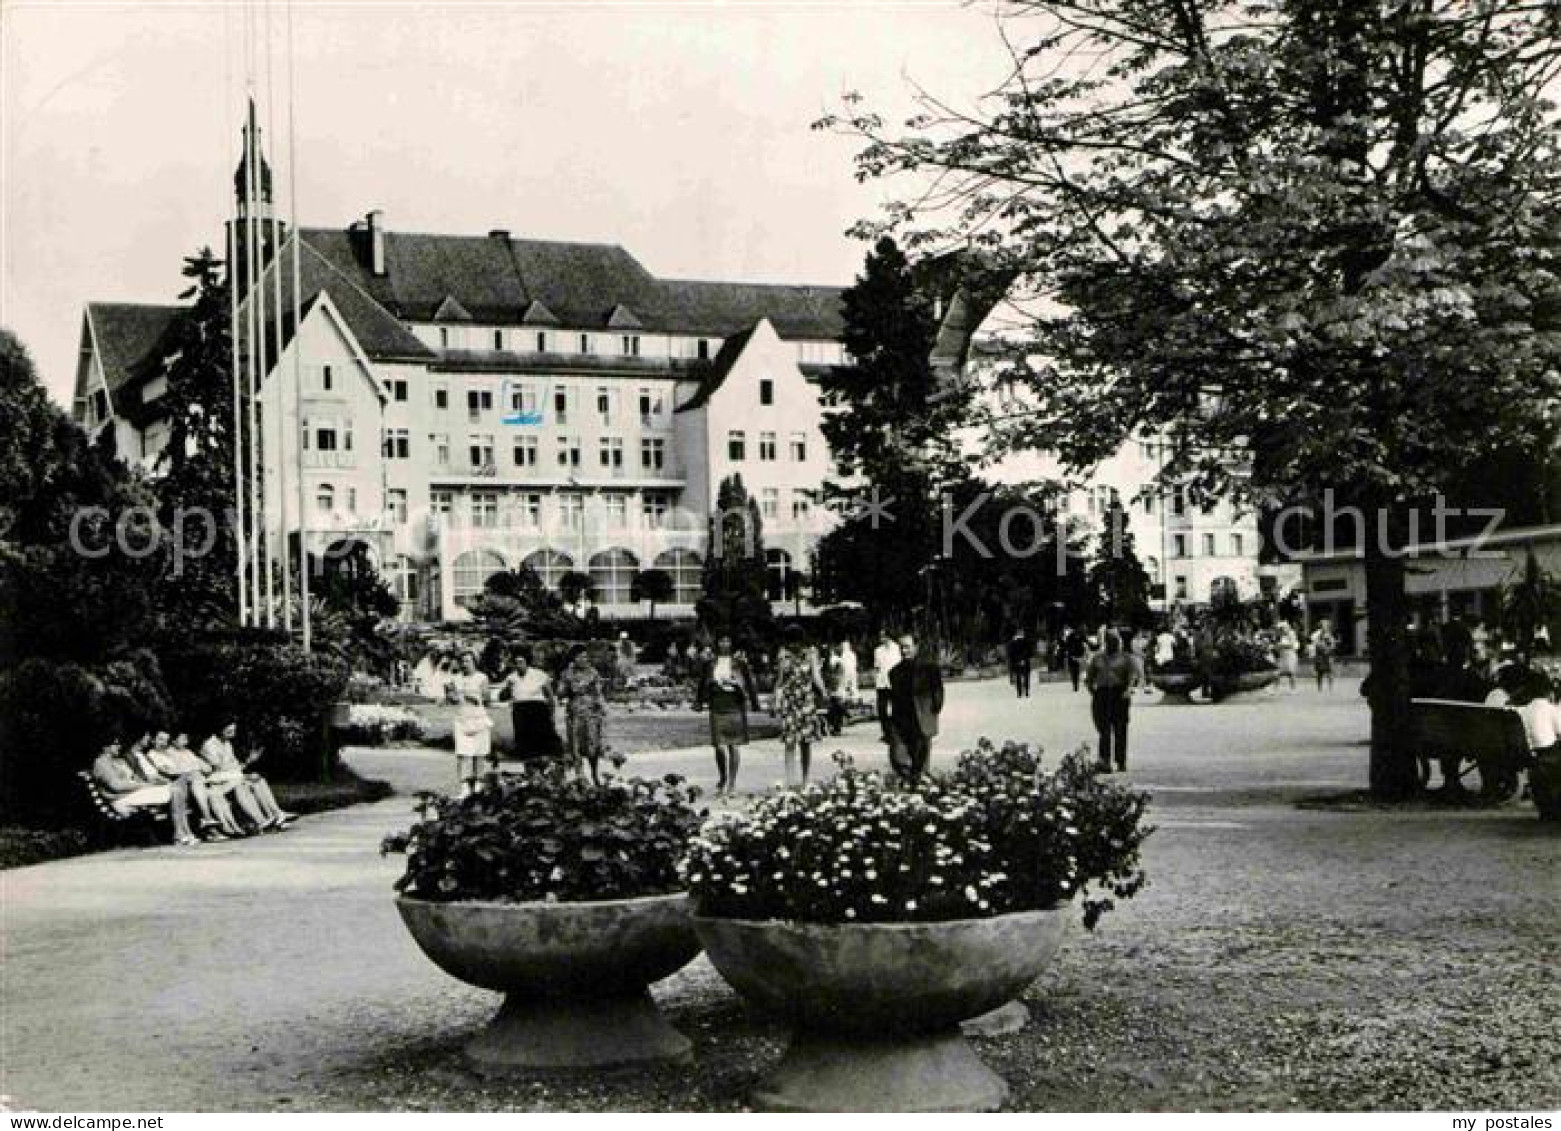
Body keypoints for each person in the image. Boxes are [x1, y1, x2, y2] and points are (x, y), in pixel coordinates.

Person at [93, 737, 202, 846]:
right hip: (121, 798)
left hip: (134, 793)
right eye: (115, 744)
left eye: (118, 744)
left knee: (178, 787)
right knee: (176, 790)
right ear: (105, 747)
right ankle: (180, 834)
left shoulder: (118, 760)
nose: (119, 746)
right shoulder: (101, 763)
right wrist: (143, 785)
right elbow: (116, 786)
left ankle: (184, 833)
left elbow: (134, 778)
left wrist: (150, 783)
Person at [146, 731, 245, 839]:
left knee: (213, 793)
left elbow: (204, 767)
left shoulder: (169, 753)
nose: (164, 743)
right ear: (153, 740)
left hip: (190, 782)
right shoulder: (153, 754)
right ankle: (210, 823)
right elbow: (168, 771)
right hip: (176, 784)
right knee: (199, 781)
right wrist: (191, 768)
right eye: (160, 739)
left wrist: (193, 768)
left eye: (166, 740)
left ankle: (224, 826)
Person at [693, 635, 758, 797]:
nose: (724, 644)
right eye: (721, 641)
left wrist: (754, 702)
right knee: (719, 746)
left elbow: (748, 682)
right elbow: (703, 682)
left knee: (734, 745)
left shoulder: (739, 663)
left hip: (735, 704)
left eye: (728, 641)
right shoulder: (710, 663)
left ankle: (732, 783)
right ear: (717, 643)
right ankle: (722, 777)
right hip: (717, 704)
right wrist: (699, 701)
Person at [200, 723, 294, 829]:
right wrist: (244, 776)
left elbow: (234, 767)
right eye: (229, 731)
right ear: (220, 729)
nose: (233, 734)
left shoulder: (227, 744)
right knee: (241, 785)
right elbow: (218, 771)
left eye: (234, 731)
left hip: (230, 779)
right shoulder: (209, 745)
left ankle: (276, 815)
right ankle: (262, 820)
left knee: (259, 780)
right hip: (217, 784)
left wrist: (248, 762)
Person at [887, 633, 944, 783]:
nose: (904, 651)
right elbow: (894, 698)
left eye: (907, 647)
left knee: (921, 764)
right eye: (901, 647)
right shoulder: (894, 672)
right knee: (898, 757)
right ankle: (910, 781)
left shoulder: (930, 669)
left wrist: (932, 712)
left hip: (923, 720)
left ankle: (919, 790)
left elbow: (938, 693)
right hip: (903, 721)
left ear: (916, 647)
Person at [775, 627, 825, 787]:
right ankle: (790, 780)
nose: (794, 645)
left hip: (805, 702)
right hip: (790, 702)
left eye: (796, 641)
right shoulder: (784, 655)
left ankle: (805, 779)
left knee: (805, 742)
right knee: (790, 743)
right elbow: (780, 680)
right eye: (791, 642)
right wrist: (776, 700)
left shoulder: (811, 653)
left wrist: (824, 692)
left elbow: (816, 676)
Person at [1085, 630, 1139, 773]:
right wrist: (1093, 691)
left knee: (1120, 729)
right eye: (1109, 641)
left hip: (1119, 694)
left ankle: (1121, 761)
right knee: (1104, 730)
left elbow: (1133, 676)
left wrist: (1128, 690)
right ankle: (1104, 761)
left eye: (1115, 641)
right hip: (1102, 694)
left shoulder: (1125, 658)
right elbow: (1090, 677)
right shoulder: (1097, 658)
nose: (1112, 644)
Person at [557, 646, 608, 786]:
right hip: (575, 714)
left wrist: (602, 708)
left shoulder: (593, 672)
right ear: (574, 658)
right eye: (580, 657)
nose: (583, 660)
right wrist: (566, 687)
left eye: (585, 657)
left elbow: (599, 693)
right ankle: (580, 775)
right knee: (576, 746)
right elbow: (560, 693)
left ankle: (594, 774)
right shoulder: (567, 673)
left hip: (592, 714)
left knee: (592, 747)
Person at [499, 649, 559, 762]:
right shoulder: (511, 677)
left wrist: (552, 713)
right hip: (520, 710)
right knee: (523, 741)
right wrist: (508, 688)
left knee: (541, 740)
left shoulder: (539, 674)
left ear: (527, 662)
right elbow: (502, 697)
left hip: (537, 708)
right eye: (516, 662)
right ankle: (526, 762)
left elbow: (550, 696)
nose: (518, 665)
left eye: (521, 662)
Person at [447, 653, 494, 791]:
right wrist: (451, 696)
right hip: (462, 719)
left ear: (474, 662)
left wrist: (473, 698)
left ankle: (479, 786)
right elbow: (451, 697)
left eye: (467, 661)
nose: (464, 664)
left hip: (479, 718)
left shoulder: (482, 677)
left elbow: (487, 699)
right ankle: (465, 788)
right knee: (463, 753)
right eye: (462, 661)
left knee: (479, 753)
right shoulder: (455, 679)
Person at [872, 631, 903, 742]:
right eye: (880, 636)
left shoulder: (897, 648)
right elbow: (876, 667)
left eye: (884, 636)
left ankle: (897, 732)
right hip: (881, 683)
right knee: (882, 709)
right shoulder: (878, 650)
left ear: (889, 636)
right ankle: (886, 733)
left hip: (895, 683)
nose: (881, 638)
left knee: (896, 709)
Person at [1311, 620, 1338, 692]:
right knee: (1320, 673)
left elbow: (1333, 645)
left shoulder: (1330, 635)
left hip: (1328, 656)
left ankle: (1330, 688)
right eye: (1322, 625)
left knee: (1329, 672)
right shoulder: (1316, 635)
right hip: (1319, 656)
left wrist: (1328, 649)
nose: (1324, 627)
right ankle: (1319, 688)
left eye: (1325, 625)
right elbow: (1315, 644)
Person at [1006, 629, 1033, 699]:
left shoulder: (1012, 642)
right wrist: (1023, 659)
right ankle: (1026, 691)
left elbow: (1010, 654)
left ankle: (1019, 692)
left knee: (1018, 677)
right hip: (1025, 661)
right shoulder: (1027, 642)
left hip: (1016, 662)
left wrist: (1016, 660)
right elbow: (1030, 652)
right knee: (1026, 677)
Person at [1275, 621, 1300, 692]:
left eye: (1281, 628)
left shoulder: (1291, 633)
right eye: (1280, 629)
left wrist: (1281, 645)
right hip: (1283, 655)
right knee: (1278, 672)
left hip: (1290, 655)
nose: (1280, 630)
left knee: (1291, 673)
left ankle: (1293, 689)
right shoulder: (1282, 636)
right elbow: (1279, 646)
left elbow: (1292, 644)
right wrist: (1278, 647)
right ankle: (1275, 688)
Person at [1062, 626, 1087, 692]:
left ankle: (1075, 684)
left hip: (1076, 656)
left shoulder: (1079, 636)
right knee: (1074, 671)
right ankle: (1075, 685)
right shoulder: (1071, 637)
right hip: (1074, 656)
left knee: (1075, 671)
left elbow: (1087, 643)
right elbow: (1066, 646)